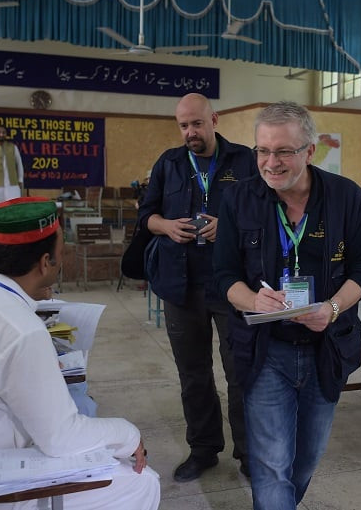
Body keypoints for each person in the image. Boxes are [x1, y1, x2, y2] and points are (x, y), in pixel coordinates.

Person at [0, 197, 160, 510]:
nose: (61, 260)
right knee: (140, 482)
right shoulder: (20, 328)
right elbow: (61, 437)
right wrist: (129, 434)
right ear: (44, 263)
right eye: (61, 253)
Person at [212, 101, 361, 509]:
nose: (270, 163)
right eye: (262, 151)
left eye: (283, 151)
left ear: (310, 150)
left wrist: (333, 308)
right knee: (270, 464)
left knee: (304, 462)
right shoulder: (238, 200)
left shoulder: (346, 198)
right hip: (265, 351)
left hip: (328, 348)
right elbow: (222, 276)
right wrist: (253, 299)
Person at [139, 92, 257, 482]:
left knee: (240, 371)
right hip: (180, 283)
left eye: (196, 123)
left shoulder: (245, 161)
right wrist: (167, 226)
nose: (190, 132)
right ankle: (203, 449)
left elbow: (263, 210)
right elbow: (147, 217)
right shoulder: (169, 163)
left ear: (214, 120)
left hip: (231, 284)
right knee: (193, 373)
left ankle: (248, 454)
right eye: (183, 125)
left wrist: (228, 224)